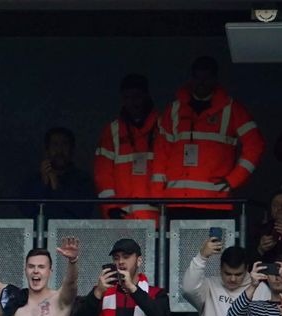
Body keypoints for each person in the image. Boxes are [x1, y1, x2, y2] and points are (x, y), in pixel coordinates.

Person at [156, 56, 264, 212]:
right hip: (176, 200)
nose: (201, 83)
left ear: (215, 79)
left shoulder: (231, 108)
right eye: (197, 78)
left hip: (214, 202)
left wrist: (234, 179)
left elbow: (256, 144)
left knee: (213, 238)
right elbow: (161, 153)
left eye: (206, 78)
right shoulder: (175, 109)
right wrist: (159, 195)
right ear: (191, 78)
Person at [94, 75, 163, 221]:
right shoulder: (112, 131)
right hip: (122, 219)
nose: (133, 102)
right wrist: (110, 207)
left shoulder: (163, 127)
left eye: (137, 97)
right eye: (127, 97)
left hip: (157, 218)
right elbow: (103, 175)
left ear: (146, 96)